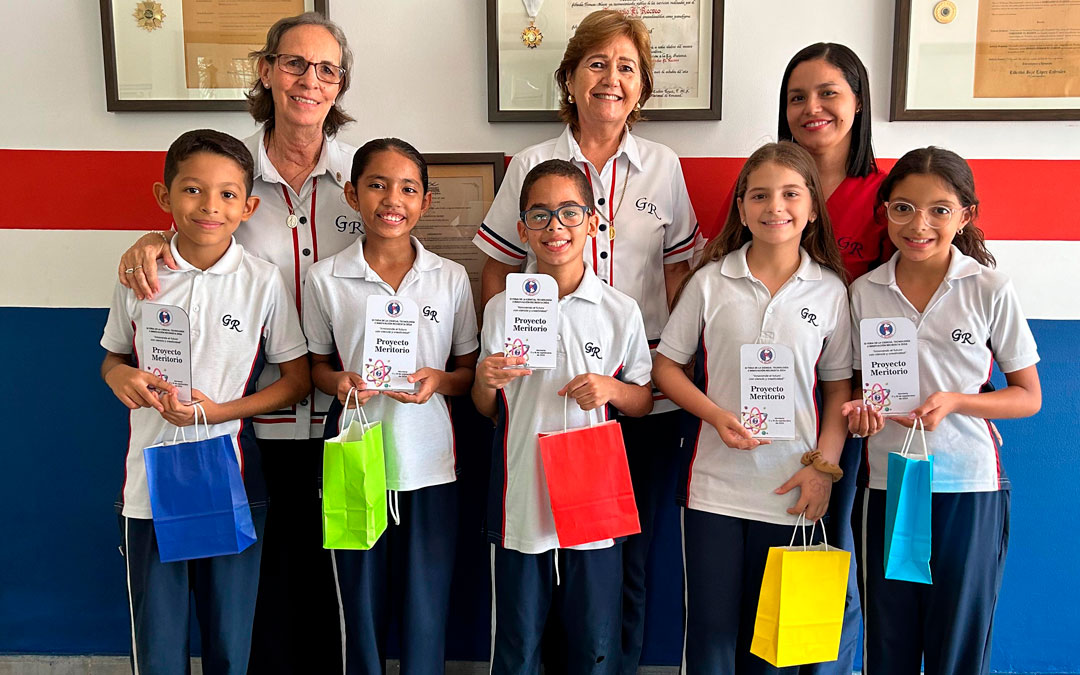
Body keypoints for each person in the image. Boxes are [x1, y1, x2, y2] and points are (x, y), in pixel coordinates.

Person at [115, 13, 359, 670]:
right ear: (266, 70)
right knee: (257, 620)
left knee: (334, 608)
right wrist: (144, 241)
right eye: (294, 63)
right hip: (248, 438)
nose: (309, 80)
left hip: (345, 423)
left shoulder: (362, 182)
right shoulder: (232, 172)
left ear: (340, 84)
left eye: (326, 68)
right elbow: (189, 232)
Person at [471, 11, 697, 669]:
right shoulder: (534, 163)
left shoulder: (663, 165)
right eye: (596, 64)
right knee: (534, 556)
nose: (611, 79)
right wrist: (514, 349)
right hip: (540, 393)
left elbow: (677, 272)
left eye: (626, 67)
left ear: (643, 86)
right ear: (569, 78)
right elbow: (495, 264)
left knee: (619, 557)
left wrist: (656, 377)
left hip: (633, 390)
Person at [100, 129, 310, 674]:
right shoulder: (139, 274)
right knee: (158, 645)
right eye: (192, 190)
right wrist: (119, 376)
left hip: (230, 475)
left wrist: (219, 412)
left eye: (227, 194)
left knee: (229, 642)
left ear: (249, 205)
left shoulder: (263, 282)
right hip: (150, 483)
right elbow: (112, 357)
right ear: (163, 196)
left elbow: (295, 380)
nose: (209, 206)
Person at [652, 142, 852, 673]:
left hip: (793, 489)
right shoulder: (710, 281)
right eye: (759, 195)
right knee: (712, 638)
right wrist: (715, 415)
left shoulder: (831, 292)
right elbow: (666, 367)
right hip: (714, 488)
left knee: (778, 648)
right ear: (741, 207)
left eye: (790, 194)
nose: (775, 207)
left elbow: (837, 390)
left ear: (812, 208)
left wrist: (823, 472)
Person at [846, 147, 1041, 675]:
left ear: (965, 215)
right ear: (884, 211)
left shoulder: (988, 287)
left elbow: (1027, 395)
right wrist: (861, 415)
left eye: (939, 210)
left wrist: (958, 401)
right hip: (888, 485)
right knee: (888, 644)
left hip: (968, 487)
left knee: (958, 645)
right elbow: (858, 386)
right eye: (903, 208)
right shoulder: (864, 291)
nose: (919, 224)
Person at [303, 138, 479, 674]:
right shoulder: (325, 279)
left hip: (430, 462)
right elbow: (314, 368)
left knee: (427, 603)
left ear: (426, 201)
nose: (391, 199)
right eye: (377, 185)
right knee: (358, 602)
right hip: (355, 455)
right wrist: (340, 383)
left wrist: (438, 381)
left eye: (407, 188)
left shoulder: (449, 278)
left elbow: (467, 373)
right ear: (353, 195)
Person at [473, 159, 654, 674]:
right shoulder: (502, 308)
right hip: (522, 485)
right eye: (541, 214)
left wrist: (612, 388)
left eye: (570, 212)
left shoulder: (620, 310)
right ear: (522, 228)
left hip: (593, 486)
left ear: (593, 222)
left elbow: (642, 401)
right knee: (518, 636)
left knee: (595, 636)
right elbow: (489, 411)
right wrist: (486, 384)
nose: (556, 227)